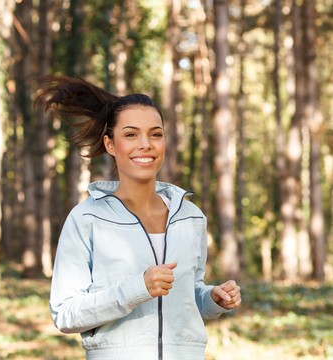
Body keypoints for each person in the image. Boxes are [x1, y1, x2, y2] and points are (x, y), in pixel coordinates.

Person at [38, 75, 241, 359]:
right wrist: (138, 288)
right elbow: (66, 314)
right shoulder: (87, 219)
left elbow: (187, 296)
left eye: (155, 134)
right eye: (131, 134)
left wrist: (212, 299)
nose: (145, 144)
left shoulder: (190, 217)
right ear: (110, 145)